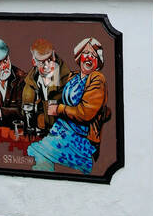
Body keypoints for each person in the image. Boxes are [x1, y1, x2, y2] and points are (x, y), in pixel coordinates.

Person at [27, 37, 110, 174]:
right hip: (60, 130)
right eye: (85, 53)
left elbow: (85, 113)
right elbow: (54, 89)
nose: (89, 58)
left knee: (38, 152)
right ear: (79, 57)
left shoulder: (97, 78)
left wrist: (59, 109)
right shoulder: (74, 77)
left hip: (78, 137)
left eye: (93, 55)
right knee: (35, 152)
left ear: (98, 60)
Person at [19, 39, 71, 138]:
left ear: (54, 55)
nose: (48, 66)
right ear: (34, 62)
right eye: (42, 62)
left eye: (50, 59)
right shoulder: (30, 83)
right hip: (38, 139)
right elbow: (24, 114)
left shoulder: (67, 81)